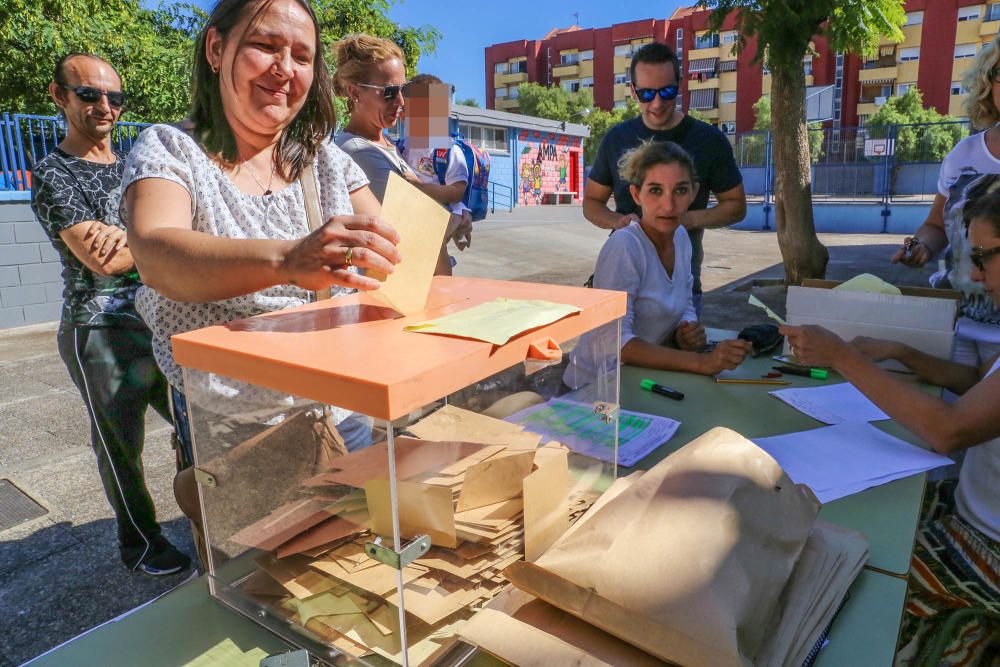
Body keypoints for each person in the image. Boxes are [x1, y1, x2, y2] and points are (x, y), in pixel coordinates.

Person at [121, 0, 401, 462]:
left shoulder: (326, 161)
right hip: (235, 427)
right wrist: (289, 261)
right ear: (216, 49)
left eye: (302, 57)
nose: (284, 69)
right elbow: (155, 253)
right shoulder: (171, 150)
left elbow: (392, 246)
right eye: (264, 46)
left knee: (352, 528)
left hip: (343, 407)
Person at [783, 188, 1000, 666]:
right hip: (968, 511)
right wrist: (900, 352)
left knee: (830, 577)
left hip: (986, 544)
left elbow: (948, 430)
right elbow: (974, 384)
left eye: (984, 257)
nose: (976, 274)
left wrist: (842, 355)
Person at [30, 53, 188, 576]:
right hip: (97, 331)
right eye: (89, 94)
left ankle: (205, 511)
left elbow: (179, 232)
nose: (105, 106)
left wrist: (133, 237)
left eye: (114, 98)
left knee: (197, 427)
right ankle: (141, 545)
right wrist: (145, 237)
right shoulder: (53, 173)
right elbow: (101, 258)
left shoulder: (132, 167)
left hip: (159, 320)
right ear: (59, 96)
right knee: (122, 448)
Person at [565, 140, 751, 388]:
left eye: (680, 190)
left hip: (643, 380)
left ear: (693, 193)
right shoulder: (625, 247)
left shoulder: (681, 237)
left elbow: (685, 301)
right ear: (635, 194)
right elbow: (615, 342)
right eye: (655, 190)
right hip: (594, 390)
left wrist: (686, 329)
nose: (669, 205)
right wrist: (702, 363)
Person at [583, 42, 746, 314]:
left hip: (682, 280)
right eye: (646, 94)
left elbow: (736, 205)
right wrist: (618, 221)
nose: (657, 103)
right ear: (633, 91)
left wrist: (687, 220)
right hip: (624, 276)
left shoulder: (709, 141)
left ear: (679, 85)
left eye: (667, 91)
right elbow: (591, 201)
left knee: (682, 344)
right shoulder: (616, 139)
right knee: (621, 350)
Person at [891, 33, 1000, 368]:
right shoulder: (964, 154)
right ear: (989, 82)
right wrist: (921, 246)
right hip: (953, 324)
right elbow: (937, 225)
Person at [332, 37, 463, 274]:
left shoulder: (387, 143)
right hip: (397, 297)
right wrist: (457, 220)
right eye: (390, 92)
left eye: (403, 90)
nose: (401, 102)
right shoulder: (359, 152)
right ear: (355, 92)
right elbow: (412, 234)